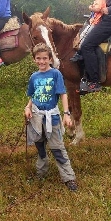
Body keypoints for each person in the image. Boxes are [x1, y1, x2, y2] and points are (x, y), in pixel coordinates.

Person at [24, 44, 78, 191]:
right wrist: (28, 107)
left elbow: (63, 94)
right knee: (40, 145)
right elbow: (33, 95)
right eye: (38, 58)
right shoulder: (34, 77)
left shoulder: (55, 74)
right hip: (36, 117)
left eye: (44, 58)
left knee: (57, 148)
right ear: (34, 59)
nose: (41, 61)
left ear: (50, 59)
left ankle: (69, 177)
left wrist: (66, 114)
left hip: (51, 117)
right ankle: (41, 172)